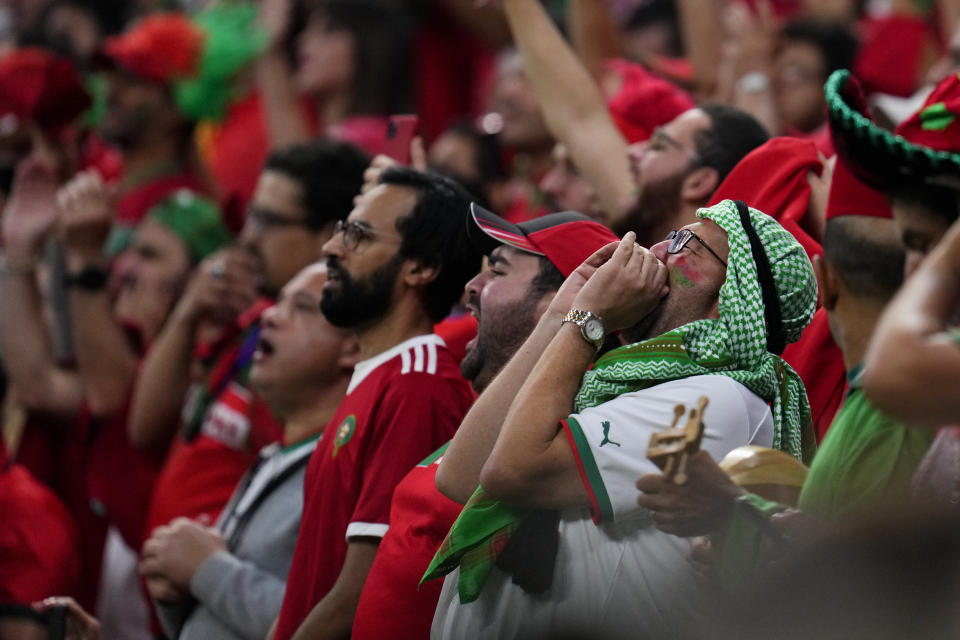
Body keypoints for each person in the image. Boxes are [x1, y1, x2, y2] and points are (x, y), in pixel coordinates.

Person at [429, 199, 817, 639]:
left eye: (683, 242)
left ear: (733, 295)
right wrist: (563, 312)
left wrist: (587, 320)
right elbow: (459, 477)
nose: (654, 250)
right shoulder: (612, 376)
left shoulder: (723, 401)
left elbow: (511, 471)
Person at [351, 206, 618, 640]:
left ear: (560, 302)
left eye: (496, 271)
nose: (471, 288)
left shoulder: (565, 436)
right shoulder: (491, 414)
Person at [270, 167, 481, 640]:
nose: (331, 248)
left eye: (358, 236)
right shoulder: (384, 377)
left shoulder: (417, 388)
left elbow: (363, 591)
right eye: (343, 229)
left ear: (420, 268)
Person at [132, 139, 368, 540]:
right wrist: (188, 311)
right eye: (250, 218)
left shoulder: (324, 349)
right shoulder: (253, 314)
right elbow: (145, 429)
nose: (248, 238)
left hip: (225, 583)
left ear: (328, 234)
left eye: (268, 221)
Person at [140, 264, 359, 640]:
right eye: (278, 303)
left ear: (353, 347)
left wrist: (206, 569)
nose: (269, 316)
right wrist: (179, 592)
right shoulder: (276, 455)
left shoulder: (345, 471)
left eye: (302, 308)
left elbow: (324, 627)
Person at [496, 0, 768, 241]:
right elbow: (579, 119)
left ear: (698, 182)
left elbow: (582, 118)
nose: (631, 150)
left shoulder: (731, 276)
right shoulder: (640, 232)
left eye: (659, 146)